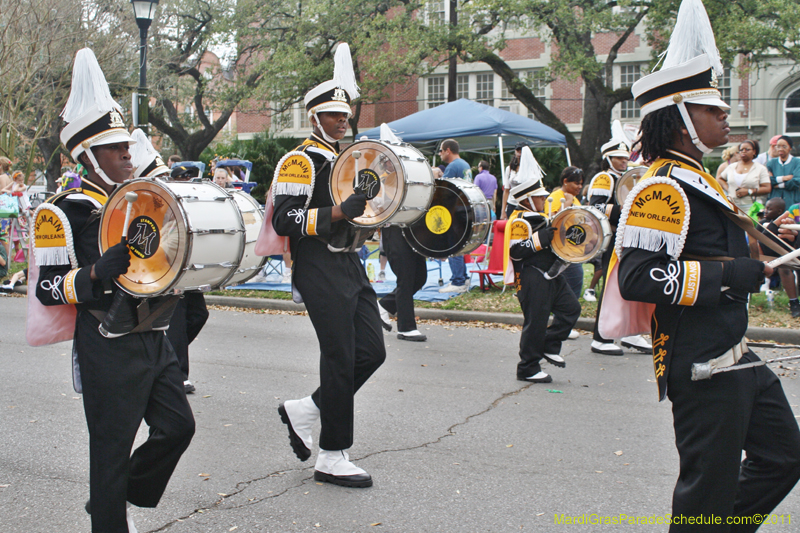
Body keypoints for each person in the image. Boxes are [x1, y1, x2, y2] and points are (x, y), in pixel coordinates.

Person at [618, 3, 800, 526]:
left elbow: (712, 244)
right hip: (702, 363)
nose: (725, 115)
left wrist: (773, 243)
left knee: (784, 457)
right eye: (711, 109)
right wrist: (733, 275)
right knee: (706, 494)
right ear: (680, 121)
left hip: (734, 350)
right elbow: (637, 277)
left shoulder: (698, 178)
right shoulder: (661, 187)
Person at [34, 49, 194, 533]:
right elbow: (46, 288)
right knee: (110, 451)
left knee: (178, 427)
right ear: (86, 156)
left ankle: (115, 495)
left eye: (126, 145)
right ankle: (109, 508)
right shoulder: (63, 210)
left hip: (153, 335)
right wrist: (94, 274)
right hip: (105, 341)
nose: (127, 153)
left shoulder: (142, 199)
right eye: (113, 147)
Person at [273, 43, 385, 488]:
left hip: (349, 262)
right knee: (339, 357)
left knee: (372, 352)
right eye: (334, 115)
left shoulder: (347, 157)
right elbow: (284, 219)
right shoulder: (300, 160)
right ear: (314, 117)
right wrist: (339, 211)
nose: (343, 121)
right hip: (317, 264)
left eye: (345, 114)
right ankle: (332, 455)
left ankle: (306, 409)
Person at [506, 147, 579, 383]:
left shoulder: (541, 216)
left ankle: (549, 344)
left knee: (571, 309)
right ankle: (527, 368)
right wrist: (540, 239)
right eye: (538, 197)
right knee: (535, 323)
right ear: (526, 199)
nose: (543, 199)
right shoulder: (519, 220)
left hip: (552, 275)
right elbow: (515, 251)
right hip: (531, 277)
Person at [586, 138, 652, 356]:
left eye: (625, 157)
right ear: (608, 159)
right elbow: (595, 207)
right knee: (610, 287)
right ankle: (601, 338)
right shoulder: (604, 178)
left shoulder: (629, 177)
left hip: (628, 238)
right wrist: (626, 210)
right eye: (619, 158)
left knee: (629, 284)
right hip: (613, 238)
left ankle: (630, 332)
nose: (624, 161)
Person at [438, 138, 473, 293]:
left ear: (448, 150)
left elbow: (444, 191)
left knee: (453, 246)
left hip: (455, 210)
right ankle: (463, 277)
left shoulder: (452, 167)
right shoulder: (465, 164)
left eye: (441, 151)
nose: (440, 154)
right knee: (459, 245)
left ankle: (457, 281)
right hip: (465, 209)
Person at [718, 139, 771, 212]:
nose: (743, 151)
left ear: (754, 152)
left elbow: (767, 188)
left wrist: (749, 191)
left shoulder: (760, 168)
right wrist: (728, 189)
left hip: (752, 207)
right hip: (733, 206)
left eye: (747, 149)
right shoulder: (731, 167)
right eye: (741, 150)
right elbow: (720, 178)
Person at [767, 135, 800, 206]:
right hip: (774, 201)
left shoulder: (797, 162)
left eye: (784, 146)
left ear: (790, 148)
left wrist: (778, 185)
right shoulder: (771, 163)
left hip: (792, 201)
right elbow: (768, 181)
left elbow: (796, 181)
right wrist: (784, 178)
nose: (780, 149)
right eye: (778, 146)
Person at [501, 142, 525, 219]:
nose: (519, 153)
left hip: (526, 204)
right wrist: (503, 211)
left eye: (521, 151)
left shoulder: (529, 169)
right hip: (512, 203)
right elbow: (506, 190)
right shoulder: (510, 168)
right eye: (518, 150)